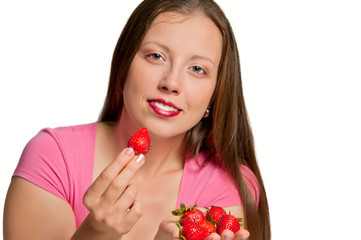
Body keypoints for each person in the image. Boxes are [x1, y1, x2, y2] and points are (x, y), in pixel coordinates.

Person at [3, 0, 270, 239]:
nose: (171, 83)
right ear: (124, 64)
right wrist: (96, 232)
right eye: (156, 56)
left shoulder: (226, 184)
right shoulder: (53, 156)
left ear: (215, 95)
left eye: (197, 69)